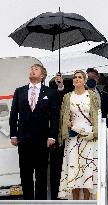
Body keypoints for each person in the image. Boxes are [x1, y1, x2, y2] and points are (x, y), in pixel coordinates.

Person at [9, 64, 59, 200]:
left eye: (35, 69)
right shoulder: (19, 91)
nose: (32, 71)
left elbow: (54, 117)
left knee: (41, 174)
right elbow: (13, 115)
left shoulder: (50, 93)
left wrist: (52, 136)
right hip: (23, 139)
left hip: (42, 140)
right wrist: (13, 134)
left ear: (42, 75)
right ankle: (28, 202)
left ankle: (41, 202)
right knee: (25, 174)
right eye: (31, 69)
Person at [58, 70, 99, 200]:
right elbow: (63, 115)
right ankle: (75, 202)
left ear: (85, 80)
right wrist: (67, 123)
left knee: (87, 171)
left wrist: (94, 133)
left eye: (80, 77)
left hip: (89, 137)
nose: (77, 79)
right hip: (73, 137)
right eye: (75, 77)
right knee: (74, 171)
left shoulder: (92, 95)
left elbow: (97, 116)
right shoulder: (67, 96)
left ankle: (87, 202)